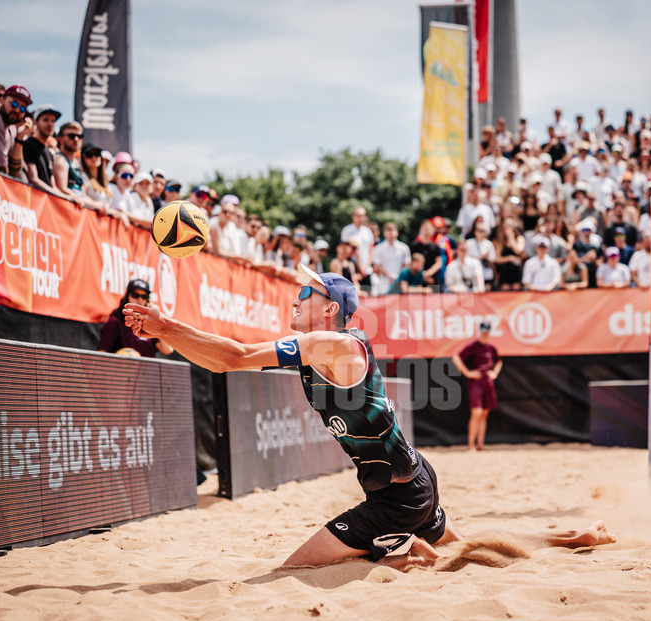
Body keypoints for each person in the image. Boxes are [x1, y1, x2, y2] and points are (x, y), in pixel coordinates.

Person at [122, 267, 617, 567]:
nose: (295, 299)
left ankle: (403, 553)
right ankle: (572, 536)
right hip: (415, 480)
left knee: (293, 568)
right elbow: (224, 358)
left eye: (306, 294)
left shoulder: (330, 344)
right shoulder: (326, 345)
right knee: (470, 545)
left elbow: (232, 357)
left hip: (398, 500)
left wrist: (167, 325)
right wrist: (169, 333)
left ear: (330, 310)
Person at [452, 321, 502, 452]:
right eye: (483, 331)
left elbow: (499, 361)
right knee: (477, 412)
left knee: (484, 413)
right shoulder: (473, 346)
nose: (485, 334)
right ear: (479, 332)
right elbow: (456, 358)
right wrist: (468, 373)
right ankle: (470, 445)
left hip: (488, 383)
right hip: (476, 383)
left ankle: (480, 444)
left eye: (487, 332)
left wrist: (495, 373)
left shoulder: (491, 347)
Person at [98, 279, 173, 357]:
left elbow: (168, 350)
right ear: (128, 296)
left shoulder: (148, 324)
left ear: (148, 300)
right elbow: (102, 352)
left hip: (146, 369)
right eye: (135, 295)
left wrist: (158, 320)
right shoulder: (115, 321)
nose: (139, 300)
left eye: (144, 297)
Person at [371, 222, 411, 296]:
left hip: (400, 283)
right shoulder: (378, 248)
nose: (390, 233)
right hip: (383, 283)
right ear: (384, 233)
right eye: (388, 231)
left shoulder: (404, 248)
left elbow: (406, 265)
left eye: (392, 230)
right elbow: (378, 266)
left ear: (397, 232)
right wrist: (389, 276)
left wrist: (398, 278)